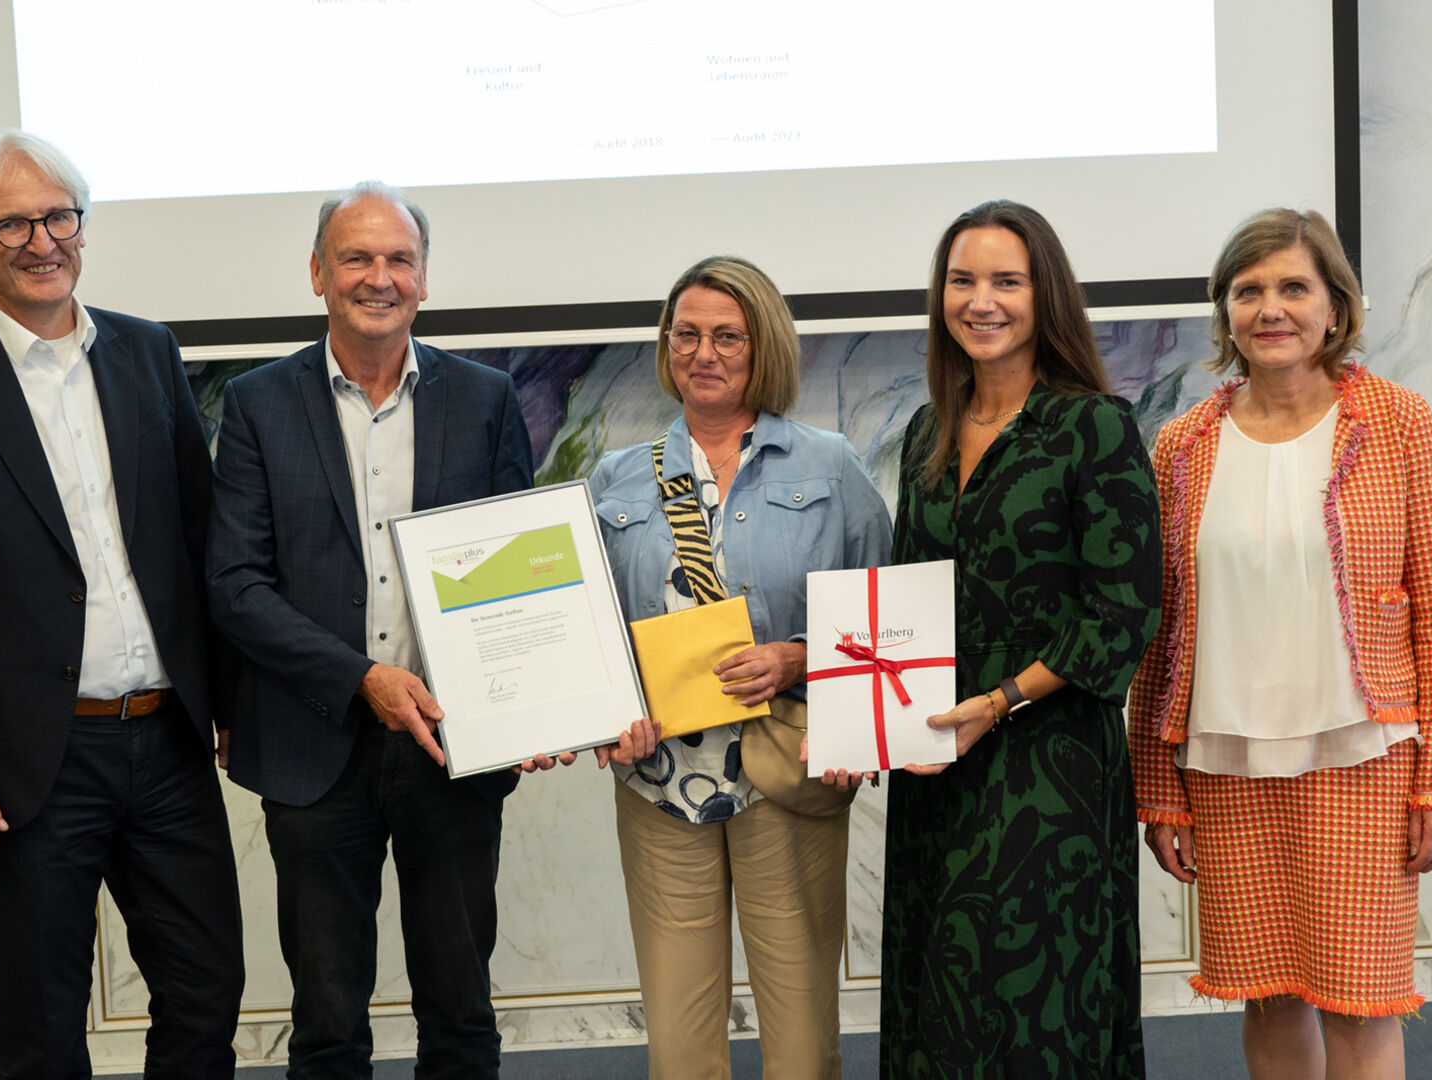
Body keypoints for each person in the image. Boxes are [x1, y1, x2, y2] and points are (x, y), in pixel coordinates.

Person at [0, 131, 244, 1077]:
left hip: (169, 745)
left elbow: (201, 542)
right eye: (13, 225)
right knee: (42, 1025)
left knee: (206, 994)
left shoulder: (149, 352)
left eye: (59, 217)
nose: (43, 241)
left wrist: (234, 701)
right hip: (30, 764)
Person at [207, 181, 555, 1080]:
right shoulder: (257, 404)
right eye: (356, 257)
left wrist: (537, 700)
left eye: (400, 259)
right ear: (317, 272)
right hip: (312, 745)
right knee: (327, 1023)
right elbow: (235, 586)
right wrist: (362, 678)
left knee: (461, 1011)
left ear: (424, 279)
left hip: (451, 740)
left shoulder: (484, 398)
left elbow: (520, 568)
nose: (380, 277)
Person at [1128, 208, 1432, 1078]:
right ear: (1226, 310)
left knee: (1362, 999)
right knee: (1269, 994)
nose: (1270, 309)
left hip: (1364, 760)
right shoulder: (1181, 444)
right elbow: (1159, 634)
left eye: (1294, 287)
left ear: (1335, 307)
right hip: (1227, 765)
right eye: (1248, 291)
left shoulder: (1398, 421)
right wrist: (1158, 791)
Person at [588, 255, 892, 1079]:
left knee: (800, 1038)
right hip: (658, 780)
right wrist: (607, 716)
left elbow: (884, 619)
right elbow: (592, 637)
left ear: (765, 347)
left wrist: (799, 658)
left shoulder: (830, 466)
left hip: (784, 772)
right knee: (679, 1044)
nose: (704, 353)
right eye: (686, 334)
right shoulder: (618, 478)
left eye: (728, 336)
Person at [879, 200, 1161, 1077]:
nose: (981, 300)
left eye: (1007, 280)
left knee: (1036, 1009)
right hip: (937, 758)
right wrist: (863, 723)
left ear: (1047, 297)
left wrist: (999, 702)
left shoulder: (1094, 426)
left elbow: (1122, 613)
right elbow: (906, 598)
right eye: (962, 280)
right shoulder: (926, 431)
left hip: (1049, 766)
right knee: (938, 998)